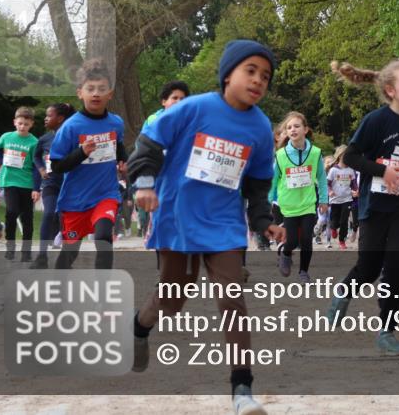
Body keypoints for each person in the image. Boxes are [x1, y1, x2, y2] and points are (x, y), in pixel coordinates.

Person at [128, 39, 285, 415]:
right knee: (172, 299)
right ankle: (139, 327)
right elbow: (148, 144)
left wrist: (263, 222)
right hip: (178, 217)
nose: (258, 80)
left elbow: (258, 184)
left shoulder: (261, 127)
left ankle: (242, 390)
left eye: (265, 76)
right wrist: (145, 184)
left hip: (223, 223)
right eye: (250, 71)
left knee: (232, 298)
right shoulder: (194, 107)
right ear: (228, 74)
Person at [325, 59, 399, 356]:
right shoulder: (376, 121)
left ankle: (386, 331)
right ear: (390, 90)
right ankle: (343, 293)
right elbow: (350, 157)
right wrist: (382, 172)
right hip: (375, 206)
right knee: (369, 267)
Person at [50, 59, 127, 270]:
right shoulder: (70, 127)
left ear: (110, 94)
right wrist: (81, 153)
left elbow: (119, 145)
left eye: (102, 89)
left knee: (103, 238)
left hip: (106, 194)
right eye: (90, 89)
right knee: (70, 252)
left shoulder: (116, 123)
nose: (96, 94)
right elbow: (56, 166)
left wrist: (123, 160)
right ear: (80, 93)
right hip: (75, 201)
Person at [270, 111, 327, 283]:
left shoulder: (315, 153)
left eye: (296, 126)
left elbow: (321, 178)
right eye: (289, 127)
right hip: (288, 205)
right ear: (286, 133)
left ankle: (303, 272)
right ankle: (286, 254)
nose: (293, 130)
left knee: (306, 240)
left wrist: (324, 200)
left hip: (308, 204)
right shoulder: (280, 155)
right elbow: (274, 180)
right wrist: (269, 201)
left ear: (305, 129)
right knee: (292, 240)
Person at [137, 80, 190, 238]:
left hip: (184, 177)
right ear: (164, 101)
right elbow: (142, 149)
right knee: (163, 217)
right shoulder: (154, 120)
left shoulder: (191, 121)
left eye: (182, 99)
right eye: (175, 98)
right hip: (160, 177)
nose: (178, 102)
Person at [30, 103, 75, 268]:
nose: (45, 119)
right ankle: (41, 257)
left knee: (67, 220)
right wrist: (42, 169)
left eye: (49, 116)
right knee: (49, 214)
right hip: (50, 183)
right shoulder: (44, 139)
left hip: (69, 185)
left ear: (60, 118)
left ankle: (66, 258)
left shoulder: (73, 137)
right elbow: (35, 157)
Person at [0, 106, 39, 261]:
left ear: (31, 124)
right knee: (12, 212)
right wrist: (0, 161)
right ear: (15, 122)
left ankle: (26, 252)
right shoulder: (7, 137)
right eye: (20, 123)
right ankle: (10, 247)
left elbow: (36, 166)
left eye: (26, 124)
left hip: (27, 183)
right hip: (9, 181)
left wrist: (36, 187)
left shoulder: (34, 142)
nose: (22, 127)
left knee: (27, 218)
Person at [327, 145, 358, 249]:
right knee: (335, 220)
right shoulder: (333, 170)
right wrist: (330, 191)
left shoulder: (351, 170)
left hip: (347, 199)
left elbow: (354, 184)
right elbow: (327, 184)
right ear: (340, 156)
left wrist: (356, 191)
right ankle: (333, 228)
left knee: (344, 221)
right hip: (335, 200)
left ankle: (342, 241)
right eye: (345, 155)